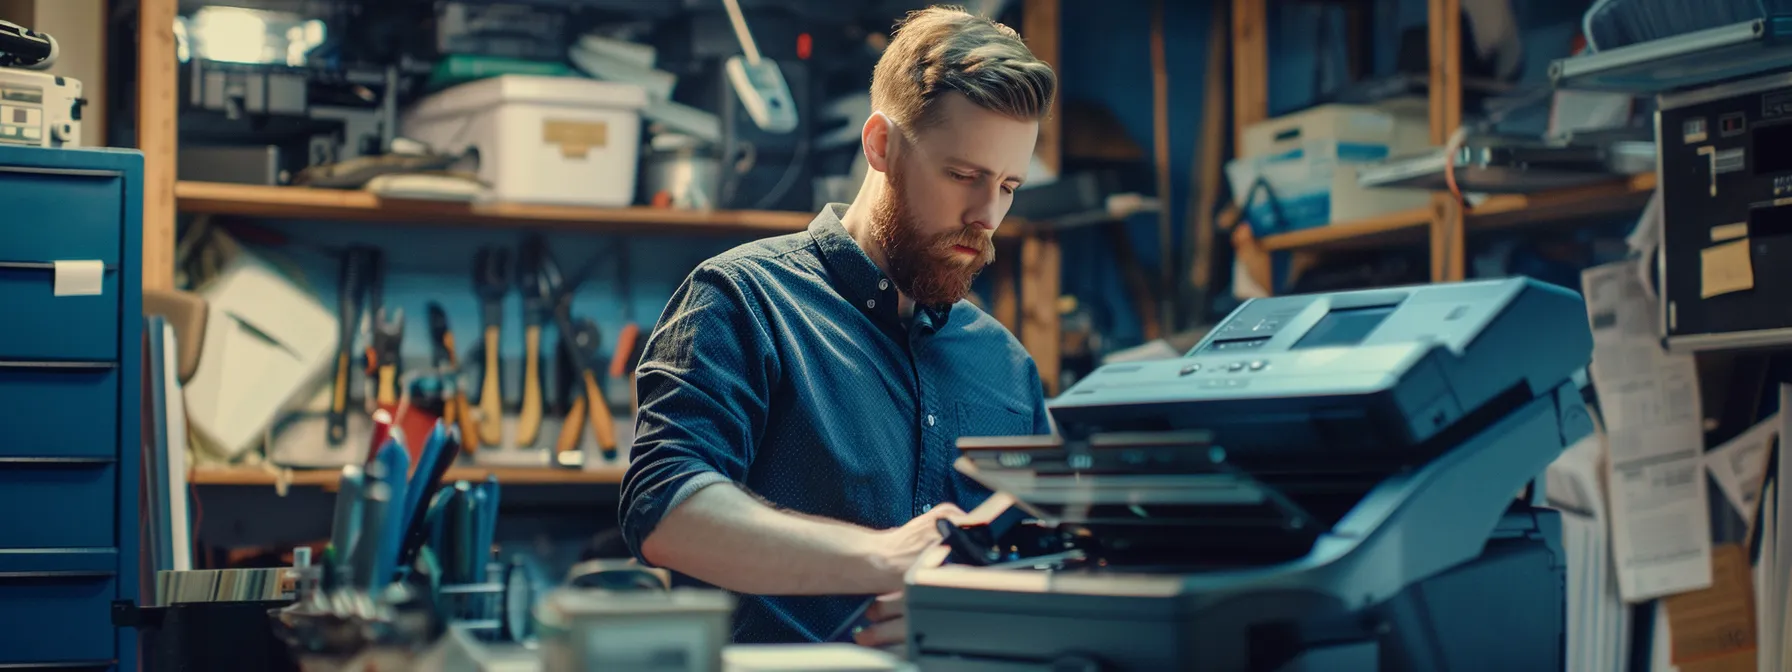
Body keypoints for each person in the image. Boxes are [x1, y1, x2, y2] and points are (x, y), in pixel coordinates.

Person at [619, 5, 1059, 647]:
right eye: (963, 176)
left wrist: (984, 609)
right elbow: (663, 507)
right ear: (881, 145)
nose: (987, 214)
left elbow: (1044, 553)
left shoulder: (1008, 369)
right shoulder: (743, 301)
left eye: (1009, 186)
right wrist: (884, 559)